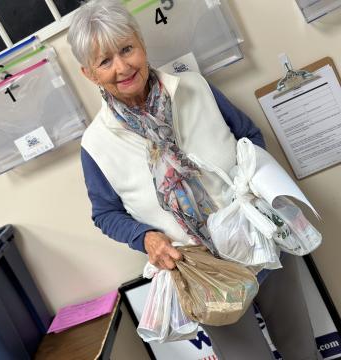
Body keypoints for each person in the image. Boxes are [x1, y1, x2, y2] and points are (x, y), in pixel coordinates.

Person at [68, 1, 321, 359]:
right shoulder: (96, 144)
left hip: (260, 235)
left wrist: (254, 190)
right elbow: (105, 213)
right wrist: (146, 238)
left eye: (126, 49)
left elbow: (250, 136)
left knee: (301, 346)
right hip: (201, 268)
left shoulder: (194, 87)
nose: (122, 67)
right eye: (105, 61)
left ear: (141, 43)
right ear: (89, 73)